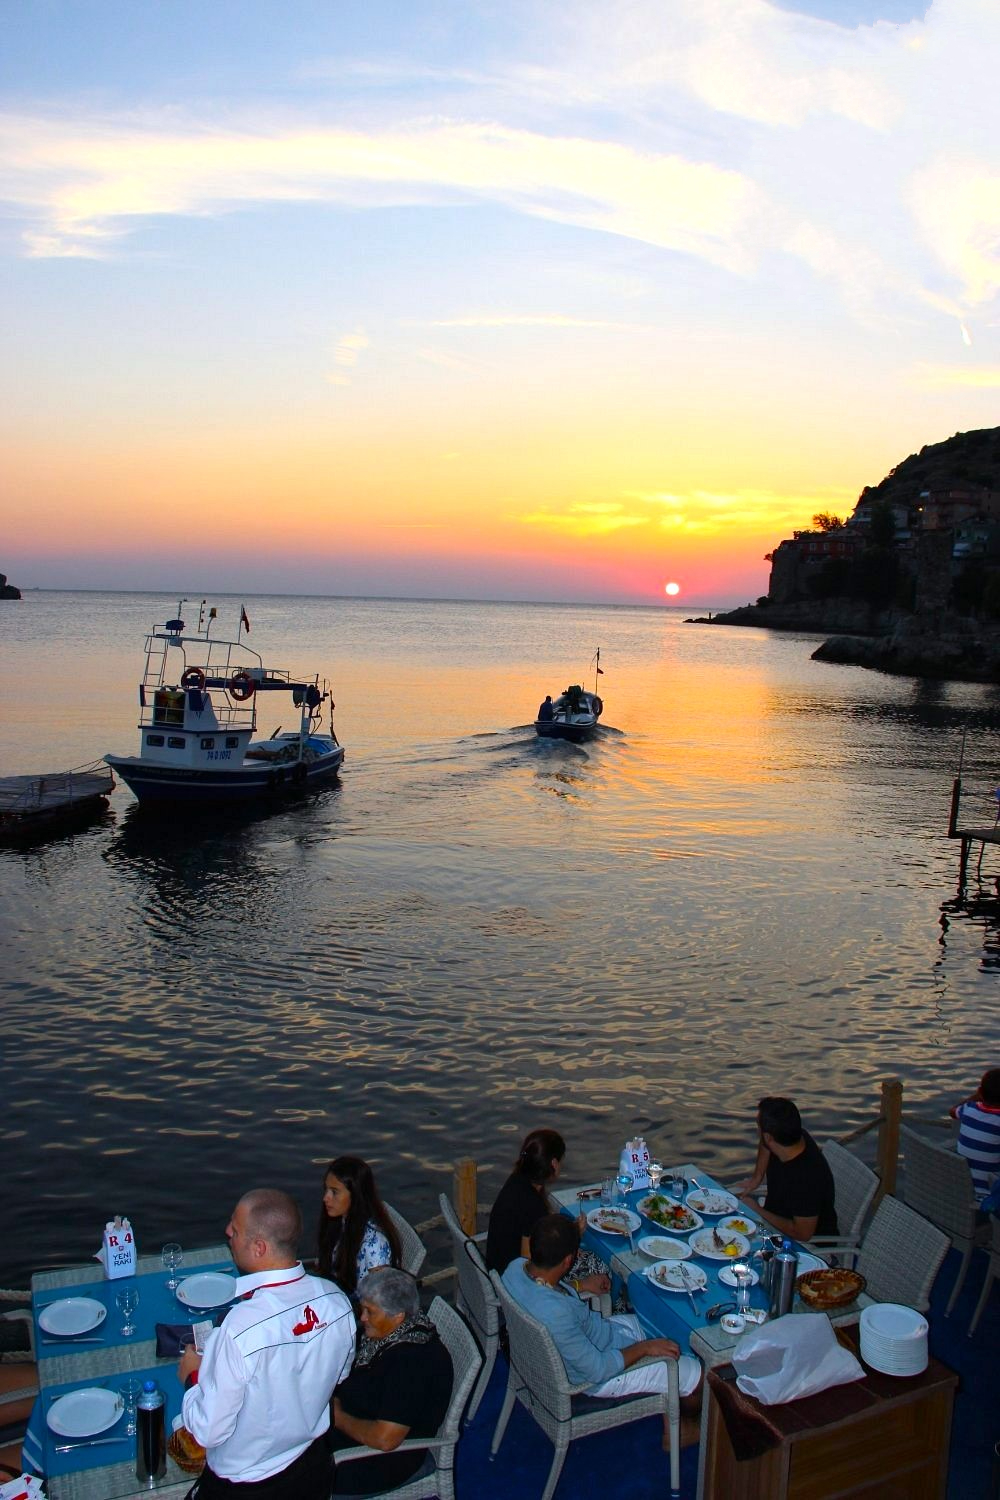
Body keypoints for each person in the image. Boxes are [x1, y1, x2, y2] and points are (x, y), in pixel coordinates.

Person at [178, 1187, 355, 1499]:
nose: (227, 1231)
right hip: (311, 1470)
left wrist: (193, 1377)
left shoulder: (241, 1328)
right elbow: (337, 1376)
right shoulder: (336, 1301)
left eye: (236, 1228)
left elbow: (208, 1430)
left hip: (246, 1486)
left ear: (259, 1247)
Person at [502, 1215, 701, 1448]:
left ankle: (669, 1404)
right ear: (568, 1261)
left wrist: (582, 1284)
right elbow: (598, 1370)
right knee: (697, 1375)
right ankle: (680, 1433)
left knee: (657, 1324)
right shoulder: (555, 1314)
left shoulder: (515, 1270)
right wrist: (645, 1348)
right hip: (598, 1375)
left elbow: (550, 1291)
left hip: (597, 1335)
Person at [328, 1268, 453, 1494]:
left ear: (398, 1316)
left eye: (370, 1312)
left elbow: (385, 1439)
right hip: (352, 1427)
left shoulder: (412, 1364)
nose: (362, 1318)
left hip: (379, 1462)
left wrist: (337, 1417)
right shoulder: (391, 1333)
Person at [485, 1128, 610, 1298]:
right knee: (603, 1266)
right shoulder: (532, 1206)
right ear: (553, 1163)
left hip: (499, 1271)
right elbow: (532, 1276)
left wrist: (568, 1237)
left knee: (587, 1254)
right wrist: (583, 1284)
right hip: (514, 1290)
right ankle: (615, 1315)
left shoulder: (517, 1181)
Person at [734, 1096, 838, 1241]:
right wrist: (756, 1178)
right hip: (773, 1222)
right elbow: (765, 1145)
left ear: (769, 1137)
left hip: (803, 1245)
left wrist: (757, 1211)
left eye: (759, 1127)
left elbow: (802, 1233)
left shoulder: (807, 1178)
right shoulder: (794, 1137)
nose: (757, 1132)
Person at [318, 1156, 403, 1300]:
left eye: (334, 1192)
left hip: (357, 1311)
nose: (326, 1198)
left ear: (356, 1195)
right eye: (326, 1189)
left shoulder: (374, 1243)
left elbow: (380, 1302)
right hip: (336, 1294)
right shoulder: (340, 1223)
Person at [951, 1068, 1000, 1204]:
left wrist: (976, 1096)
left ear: (981, 1092)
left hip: (963, 1189)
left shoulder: (969, 1108)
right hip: (991, 1195)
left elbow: (952, 1112)